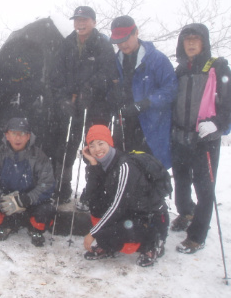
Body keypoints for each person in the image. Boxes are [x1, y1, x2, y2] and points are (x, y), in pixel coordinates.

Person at [170, 23, 231, 253]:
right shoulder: (180, 70)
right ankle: (186, 212)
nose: (191, 43)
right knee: (181, 180)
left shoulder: (219, 68)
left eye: (196, 39)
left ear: (204, 42)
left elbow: (228, 105)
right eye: (187, 39)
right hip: (179, 135)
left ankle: (197, 235)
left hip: (205, 138)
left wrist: (217, 124)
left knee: (205, 187)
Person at [51, 6, 118, 203]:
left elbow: (108, 72)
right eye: (77, 20)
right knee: (67, 145)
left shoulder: (103, 44)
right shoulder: (67, 43)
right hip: (71, 103)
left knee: (94, 147)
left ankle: (93, 188)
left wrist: (90, 88)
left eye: (85, 20)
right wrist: (63, 97)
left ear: (94, 22)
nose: (80, 24)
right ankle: (63, 185)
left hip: (96, 105)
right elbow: (57, 73)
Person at [82, 125, 169, 267]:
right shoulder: (104, 164)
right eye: (92, 146)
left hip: (148, 217)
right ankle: (110, 243)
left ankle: (152, 243)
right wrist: (93, 164)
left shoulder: (124, 166)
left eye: (100, 143)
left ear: (109, 142)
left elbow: (118, 206)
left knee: (105, 236)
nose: (97, 150)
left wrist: (94, 233)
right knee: (96, 204)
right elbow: (92, 195)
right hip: (130, 211)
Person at [109, 15, 178, 169]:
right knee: (125, 169)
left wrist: (146, 103)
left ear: (136, 33)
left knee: (150, 171)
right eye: (118, 41)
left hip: (152, 126)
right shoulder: (115, 61)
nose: (123, 44)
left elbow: (171, 89)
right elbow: (110, 89)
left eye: (126, 38)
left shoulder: (157, 59)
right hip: (124, 125)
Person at [0, 118, 56, 247]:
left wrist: (26, 199)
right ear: (7, 136)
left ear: (28, 136)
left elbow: (47, 184)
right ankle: (6, 225)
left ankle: (35, 229)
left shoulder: (38, 156)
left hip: (31, 204)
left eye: (22, 134)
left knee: (47, 211)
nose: (18, 138)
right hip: (5, 203)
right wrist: (0, 196)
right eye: (14, 133)